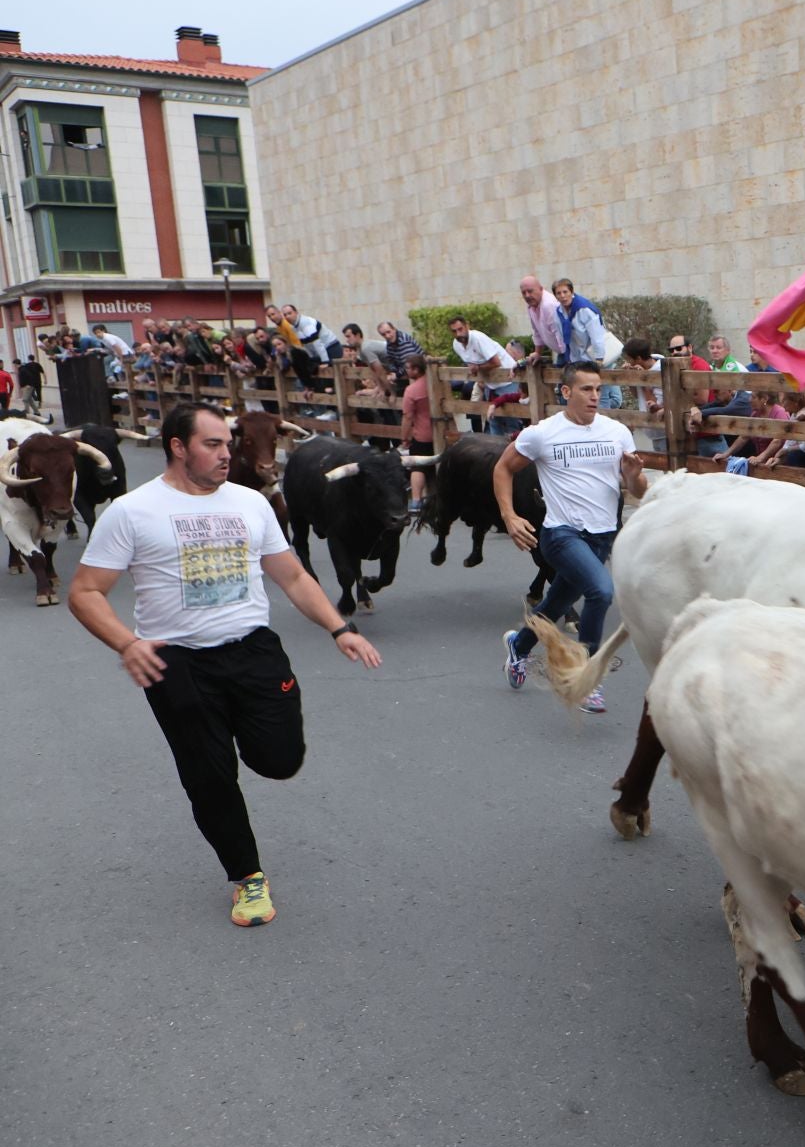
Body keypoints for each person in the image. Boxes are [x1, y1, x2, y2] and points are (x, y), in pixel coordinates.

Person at [66, 402, 382, 928]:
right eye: (212, 444)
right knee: (209, 777)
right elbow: (85, 593)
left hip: (253, 651)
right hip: (176, 664)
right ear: (177, 447)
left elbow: (295, 578)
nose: (225, 454)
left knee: (279, 759)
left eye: (226, 444)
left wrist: (339, 628)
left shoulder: (251, 505)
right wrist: (127, 643)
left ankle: (244, 734)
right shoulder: (132, 511)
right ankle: (247, 877)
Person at [496, 363, 647, 714]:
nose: (595, 396)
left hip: (603, 536)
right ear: (566, 392)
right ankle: (587, 677)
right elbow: (503, 468)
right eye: (586, 389)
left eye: (597, 389)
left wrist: (634, 476)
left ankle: (519, 645)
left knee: (556, 604)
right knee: (601, 591)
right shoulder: (543, 434)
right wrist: (509, 515)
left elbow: (637, 489)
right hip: (562, 534)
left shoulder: (616, 432)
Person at [450, 316, 520, 436]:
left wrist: (478, 368)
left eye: (460, 329)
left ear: (467, 326)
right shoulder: (457, 345)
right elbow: (470, 362)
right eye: (454, 331)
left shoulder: (478, 339)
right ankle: (497, 452)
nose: (458, 333)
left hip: (507, 380)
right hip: (490, 384)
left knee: (511, 420)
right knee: (493, 420)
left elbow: (496, 362)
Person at [401, 354, 436, 513]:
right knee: (437, 465)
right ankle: (435, 497)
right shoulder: (435, 383)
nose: (406, 370)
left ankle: (416, 501)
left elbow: (408, 416)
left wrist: (404, 437)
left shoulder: (411, 390)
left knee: (417, 467)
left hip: (422, 434)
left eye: (408, 368)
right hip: (439, 433)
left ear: (416, 369)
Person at [552, 278, 608, 366]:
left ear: (572, 292)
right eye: (558, 293)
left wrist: (599, 359)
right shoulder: (558, 313)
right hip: (575, 360)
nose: (562, 296)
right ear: (555, 296)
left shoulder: (584, 309)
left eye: (565, 292)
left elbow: (596, 336)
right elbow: (562, 338)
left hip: (593, 358)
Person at [522, 275, 566, 364]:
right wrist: (537, 353)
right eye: (524, 292)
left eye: (530, 291)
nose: (527, 295)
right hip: (563, 352)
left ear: (541, 289)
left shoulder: (548, 305)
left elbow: (559, 334)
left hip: (571, 352)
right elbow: (536, 331)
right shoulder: (531, 304)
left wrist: (568, 359)